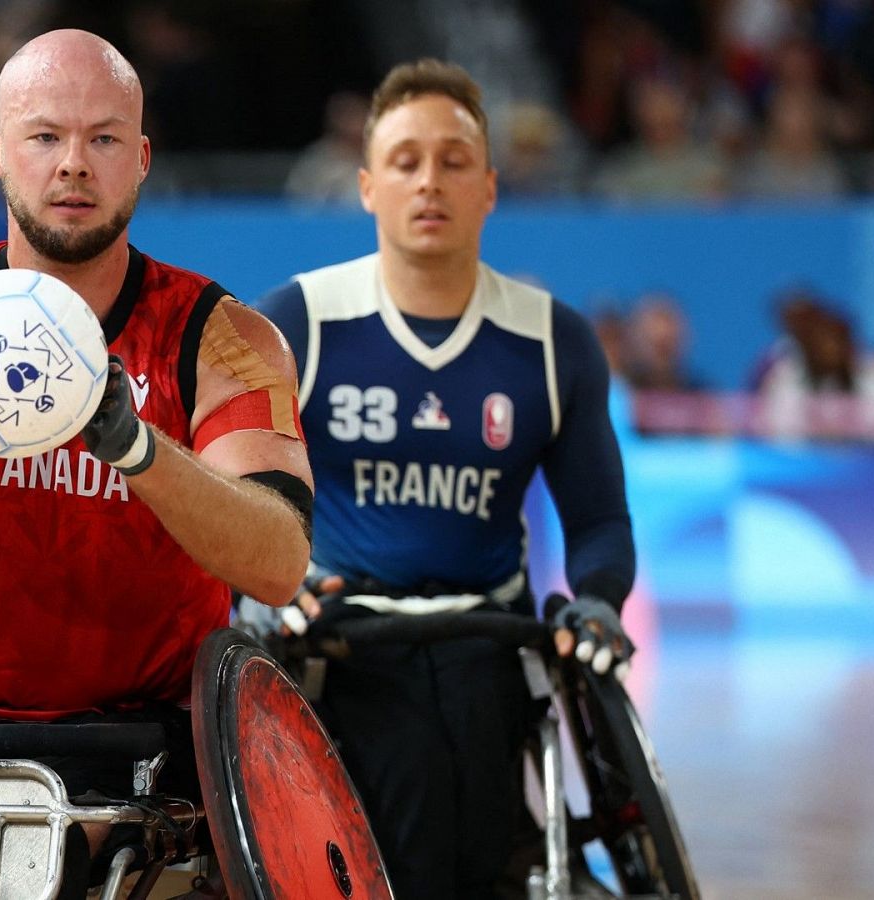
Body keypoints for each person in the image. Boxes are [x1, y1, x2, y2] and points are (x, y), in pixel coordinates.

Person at [0, 27, 312, 810]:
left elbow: (278, 565)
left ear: (141, 159)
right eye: (45, 136)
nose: (73, 162)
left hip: (152, 744)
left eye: (103, 138)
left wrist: (140, 449)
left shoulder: (227, 340)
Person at [255, 60, 637, 897]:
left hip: (489, 647)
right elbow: (238, 499)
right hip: (341, 647)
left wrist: (599, 598)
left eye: (455, 161)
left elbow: (601, 521)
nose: (430, 181)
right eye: (405, 161)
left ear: (490, 188)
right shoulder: (299, 321)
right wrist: (267, 587)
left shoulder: (552, 341)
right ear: (366, 186)